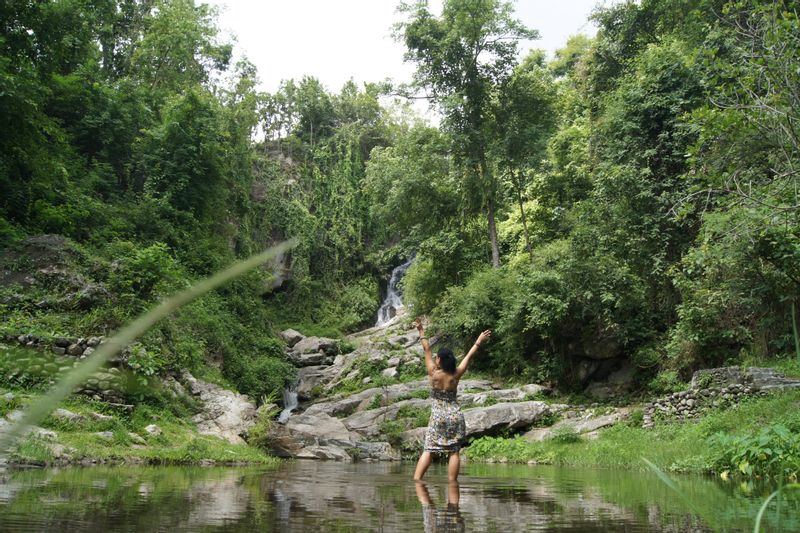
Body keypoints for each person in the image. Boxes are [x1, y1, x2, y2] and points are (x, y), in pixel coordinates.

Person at [413, 317, 491, 482]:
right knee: (454, 451)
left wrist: (421, 330)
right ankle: (452, 486)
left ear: (439, 360)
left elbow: (426, 349)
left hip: (438, 417)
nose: (435, 359)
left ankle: (417, 481)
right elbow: (469, 356)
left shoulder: (433, 374)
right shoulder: (456, 374)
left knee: (429, 449)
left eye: (437, 358)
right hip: (455, 416)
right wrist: (479, 341)